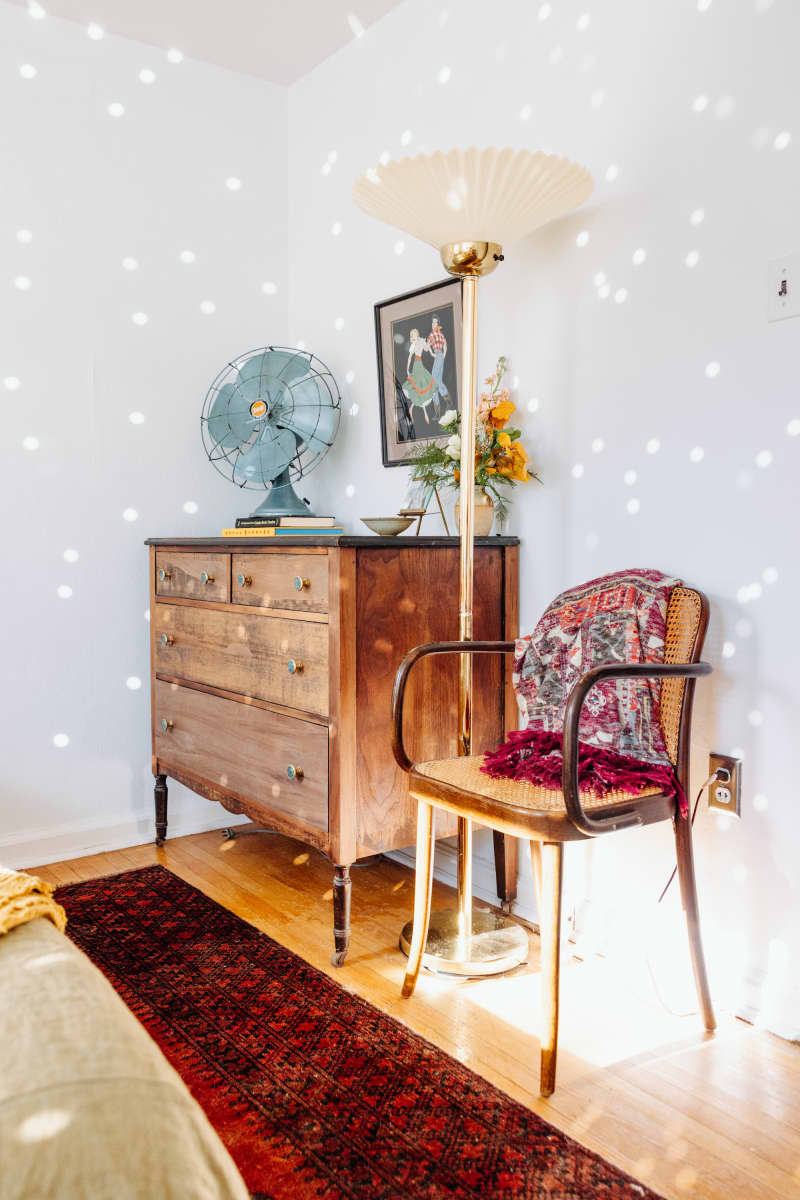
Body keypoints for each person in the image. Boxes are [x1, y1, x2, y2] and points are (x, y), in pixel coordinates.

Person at [402, 328, 437, 424]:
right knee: (418, 386)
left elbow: (426, 348)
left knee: (422, 385)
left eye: (414, 334)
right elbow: (409, 359)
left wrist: (431, 350)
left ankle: (411, 409)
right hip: (416, 366)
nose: (413, 336)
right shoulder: (413, 345)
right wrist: (407, 370)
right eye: (412, 334)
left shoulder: (421, 341)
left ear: (417, 334)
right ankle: (422, 411)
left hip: (419, 363)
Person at [426, 315, 448, 416]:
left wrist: (443, 355)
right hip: (438, 357)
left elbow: (445, 346)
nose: (433, 324)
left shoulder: (440, 334)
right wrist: (431, 353)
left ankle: (439, 411)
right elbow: (427, 347)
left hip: (439, 357)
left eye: (435, 322)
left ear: (438, 324)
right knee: (438, 381)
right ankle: (448, 404)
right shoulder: (431, 335)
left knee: (434, 382)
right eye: (432, 322)